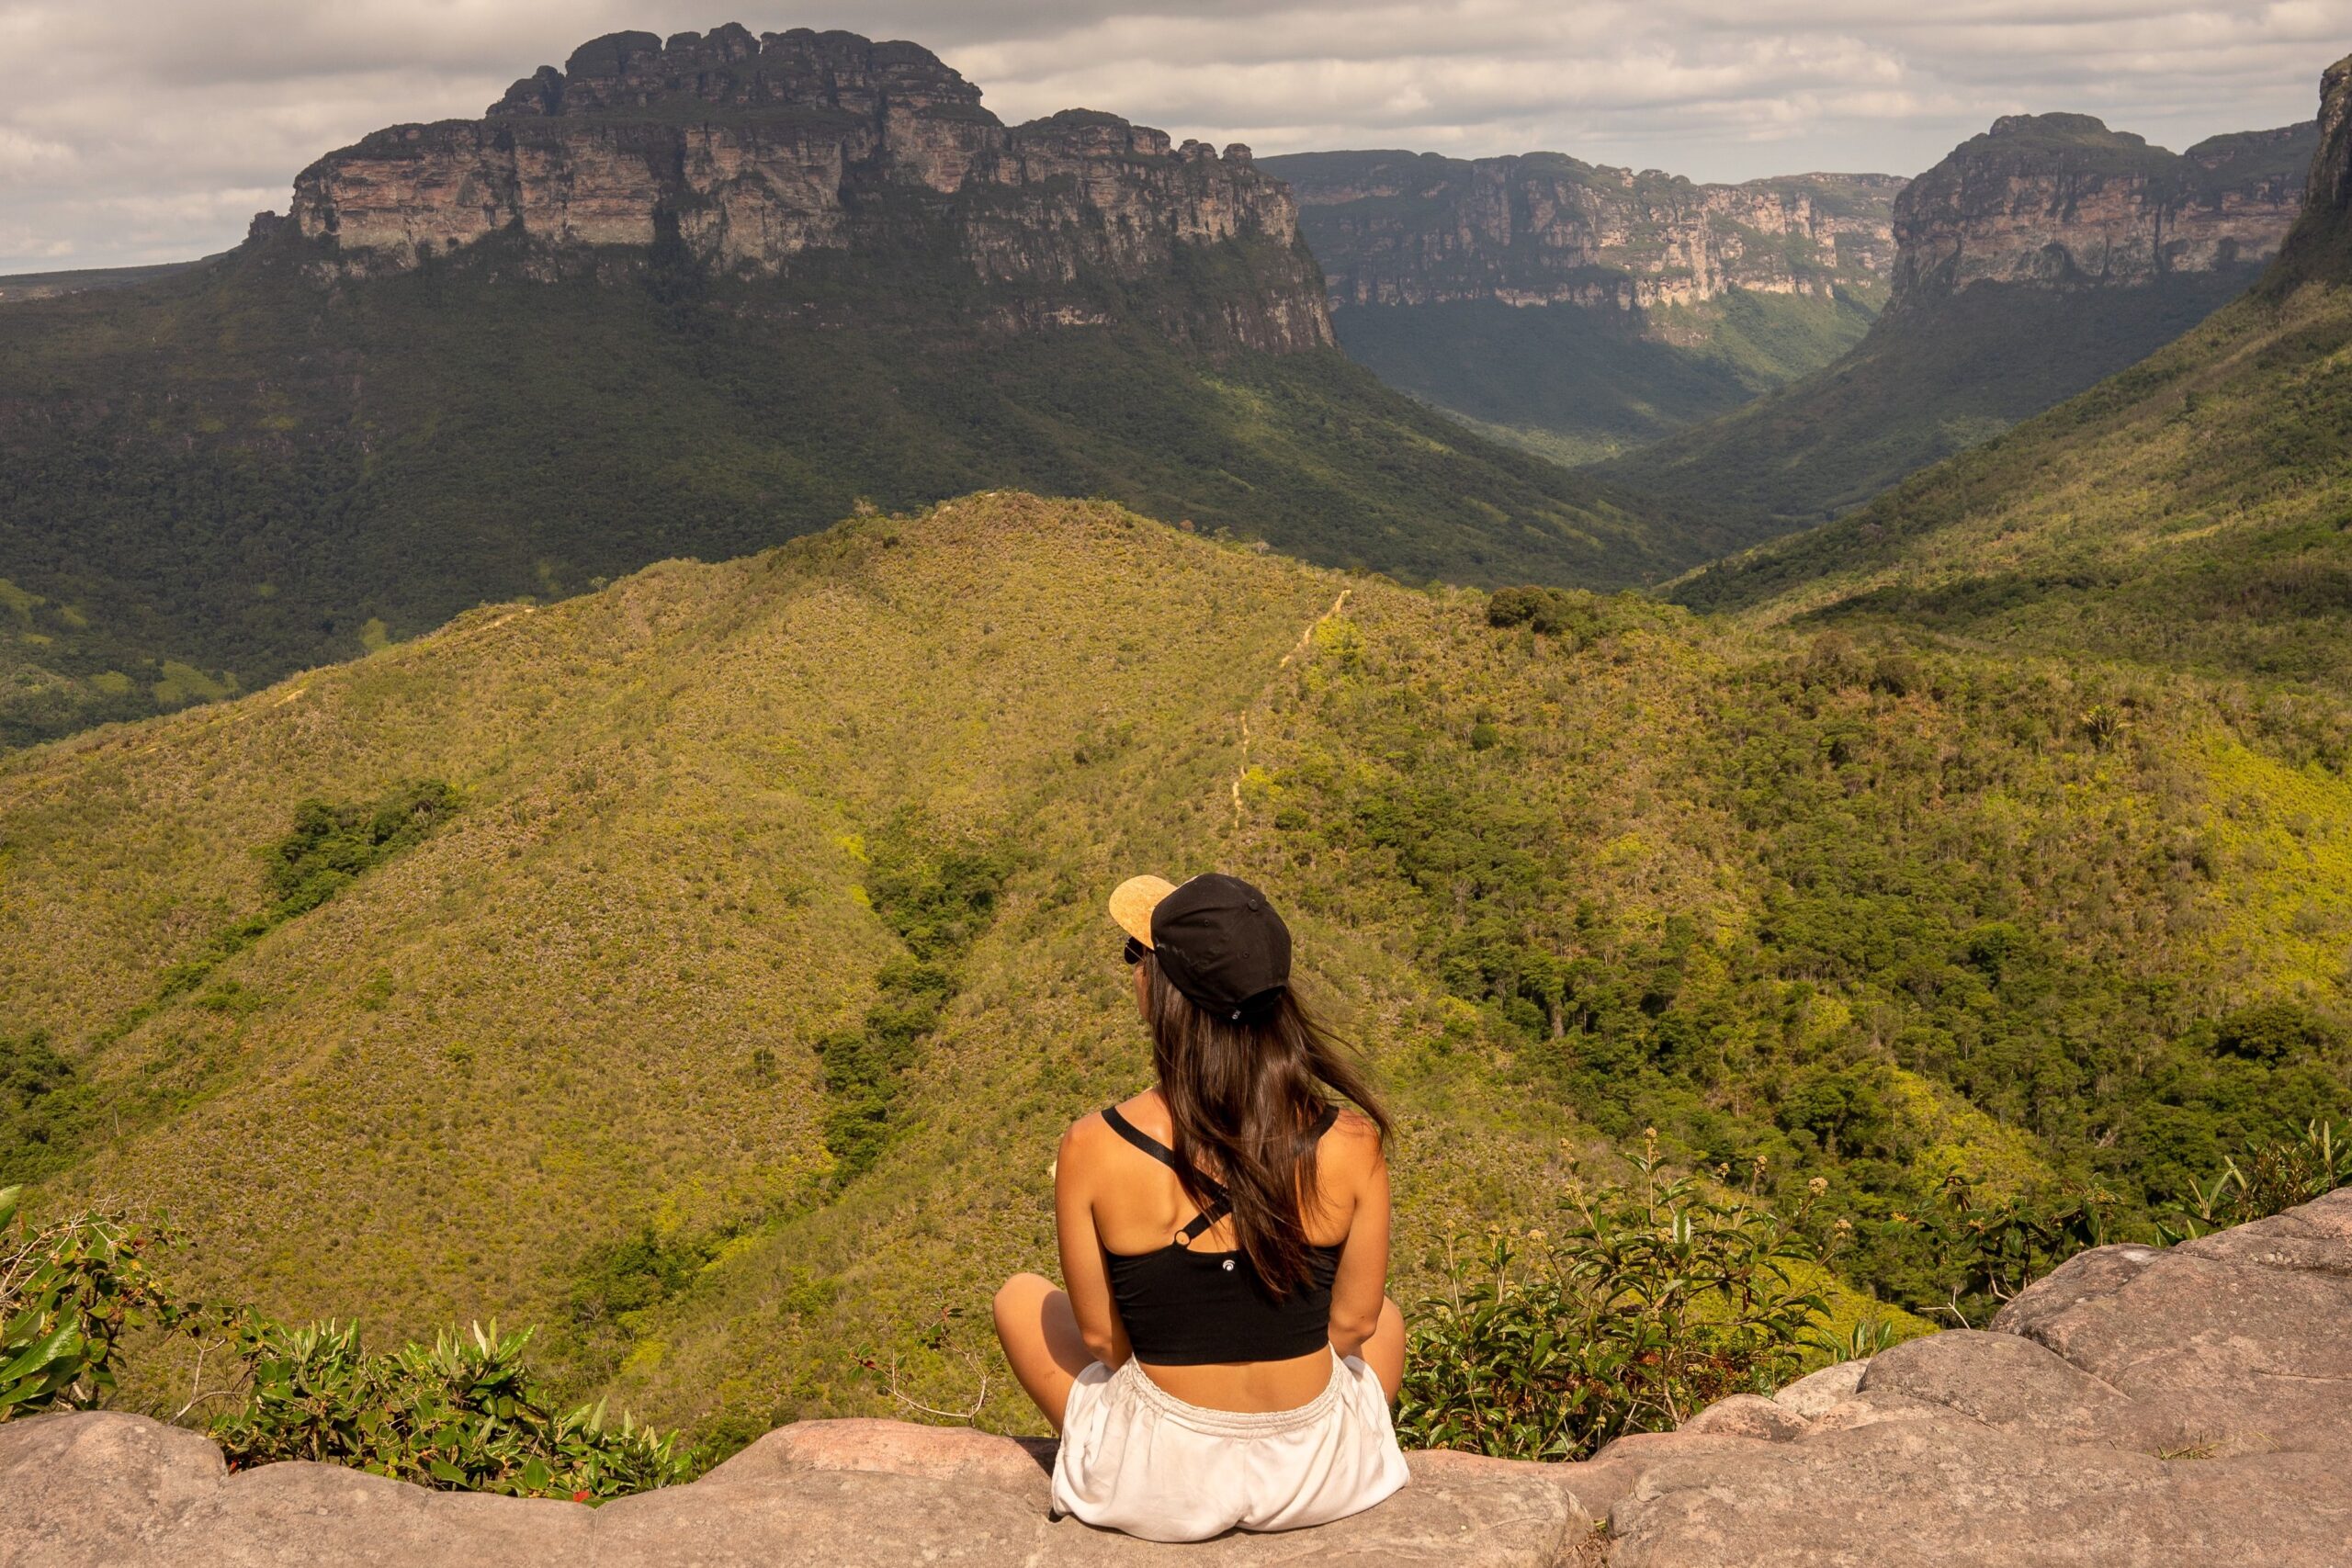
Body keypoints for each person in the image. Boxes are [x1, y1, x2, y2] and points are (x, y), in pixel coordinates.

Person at [992, 872, 1409, 1542]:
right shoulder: (1351, 1141)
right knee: (1387, 1315)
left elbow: (1105, 1343)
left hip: (1160, 1482)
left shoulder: (1094, 1144)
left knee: (1020, 1297)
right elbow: (1354, 1327)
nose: (1132, 971)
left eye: (1139, 958)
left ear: (1166, 993)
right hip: (1317, 1474)